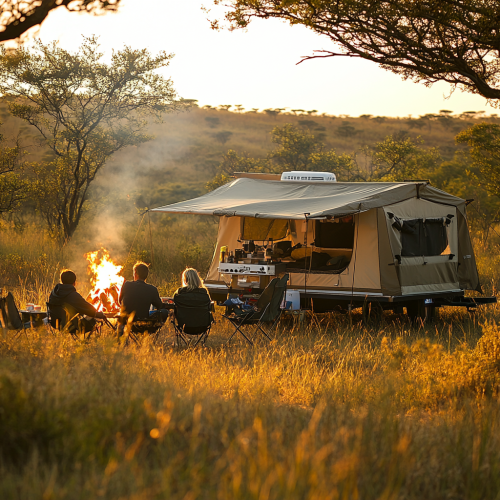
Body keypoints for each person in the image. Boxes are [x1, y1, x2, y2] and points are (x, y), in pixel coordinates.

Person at [48, 269, 106, 334]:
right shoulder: (73, 295)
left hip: (55, 323)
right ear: (74, 282)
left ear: (62, 281)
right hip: (72, 325)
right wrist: (98, 314)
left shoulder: (53, 294)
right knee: (93, 320)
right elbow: (89, 309)